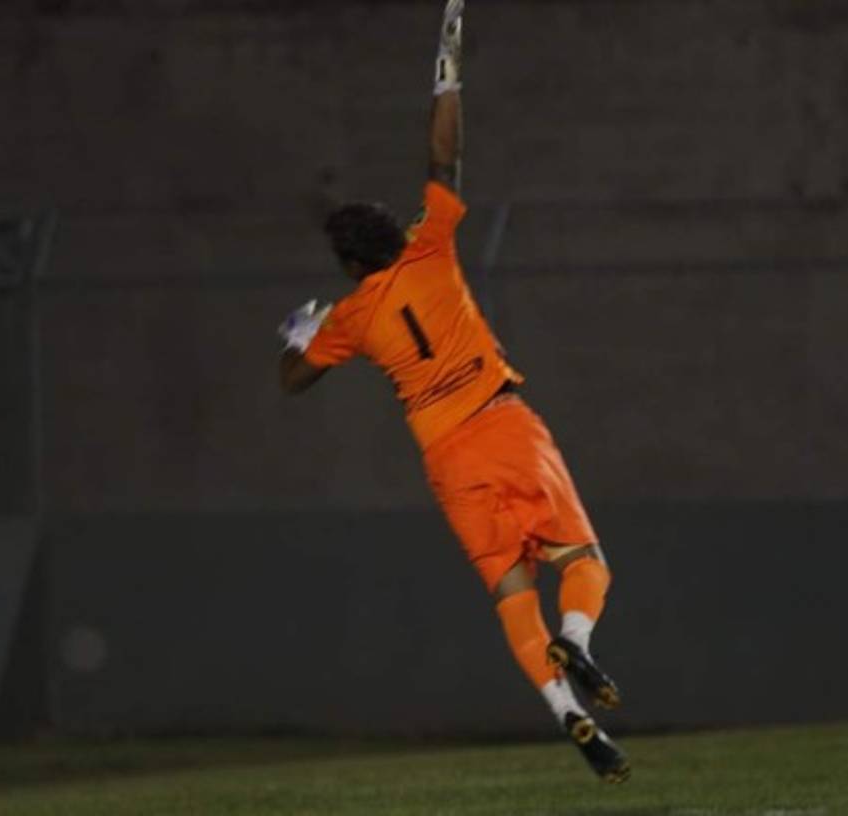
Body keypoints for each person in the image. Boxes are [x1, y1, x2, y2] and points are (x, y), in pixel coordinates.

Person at [277, 0, 629, 783]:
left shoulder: (353, 317)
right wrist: (447, 78)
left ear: (348, 266)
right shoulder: (431, 246)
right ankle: (580, 639)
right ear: (395, 236)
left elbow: (293, 382)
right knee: (584, 557)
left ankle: (568, 717)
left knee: (510, 593)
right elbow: (445, 164)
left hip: (445, 457)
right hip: (502, 423)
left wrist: (297, 334)